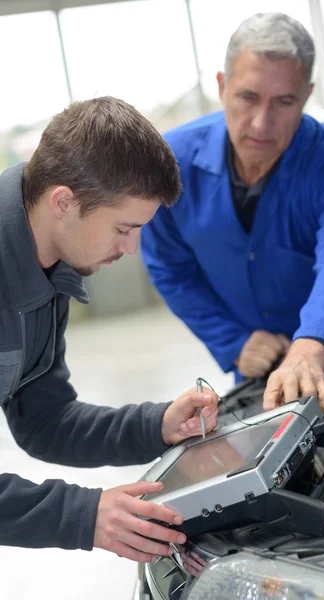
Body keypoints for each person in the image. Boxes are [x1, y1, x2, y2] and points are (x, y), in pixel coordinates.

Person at [141, 12, 324, 415]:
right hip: (260, 362)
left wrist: (311, 345)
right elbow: (170, 268)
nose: (262, 122)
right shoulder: (169, 164)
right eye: (248, 97)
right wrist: (234, 342)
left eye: (284, 101)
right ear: (222, 87)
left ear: (307, 95)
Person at [0, 96, 219, 563]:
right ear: (64, 202)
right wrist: (82, 513)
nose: (133, 247)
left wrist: (155, 425)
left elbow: (43, 421)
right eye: (123, 228)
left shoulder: (51, 266)